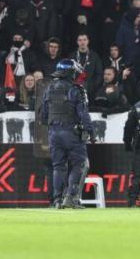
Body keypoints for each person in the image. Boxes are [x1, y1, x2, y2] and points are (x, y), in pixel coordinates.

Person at [41, 59, 95, 209]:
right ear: (71, 72)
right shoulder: (76, 89)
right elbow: (83, 114)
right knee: (79, 164)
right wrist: (90, 131)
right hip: (72, 132)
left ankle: (57, 200)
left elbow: (43, 116)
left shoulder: (49, 89)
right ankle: (70, 198)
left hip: (54, 133)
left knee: (58, 167)